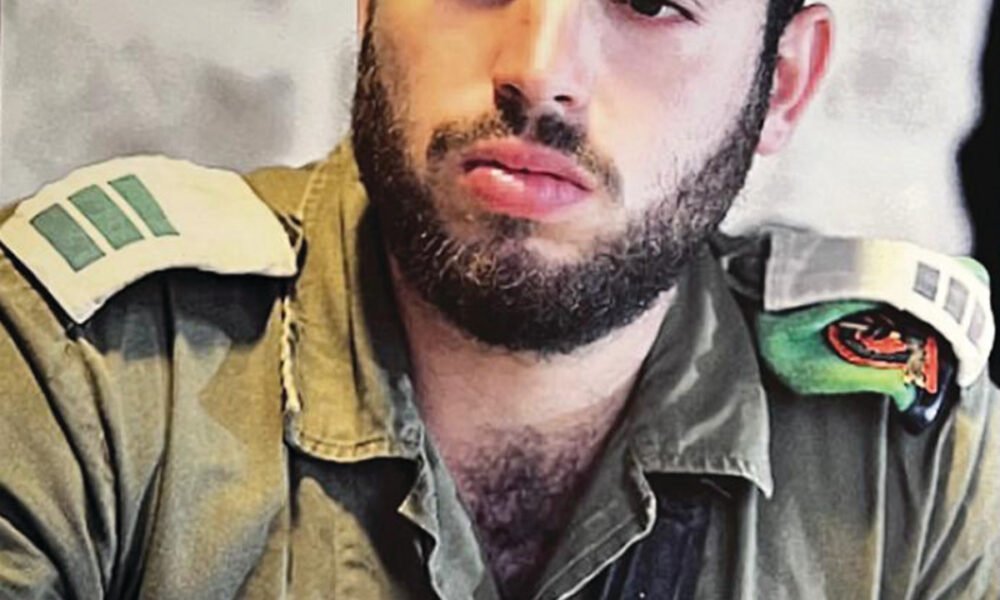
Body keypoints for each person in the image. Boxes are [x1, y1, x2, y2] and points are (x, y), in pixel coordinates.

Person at [0, 0, 996, 598]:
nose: (538, 70)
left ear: (780, 83)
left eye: (650, 1)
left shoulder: (909, 458)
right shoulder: (83, 368)